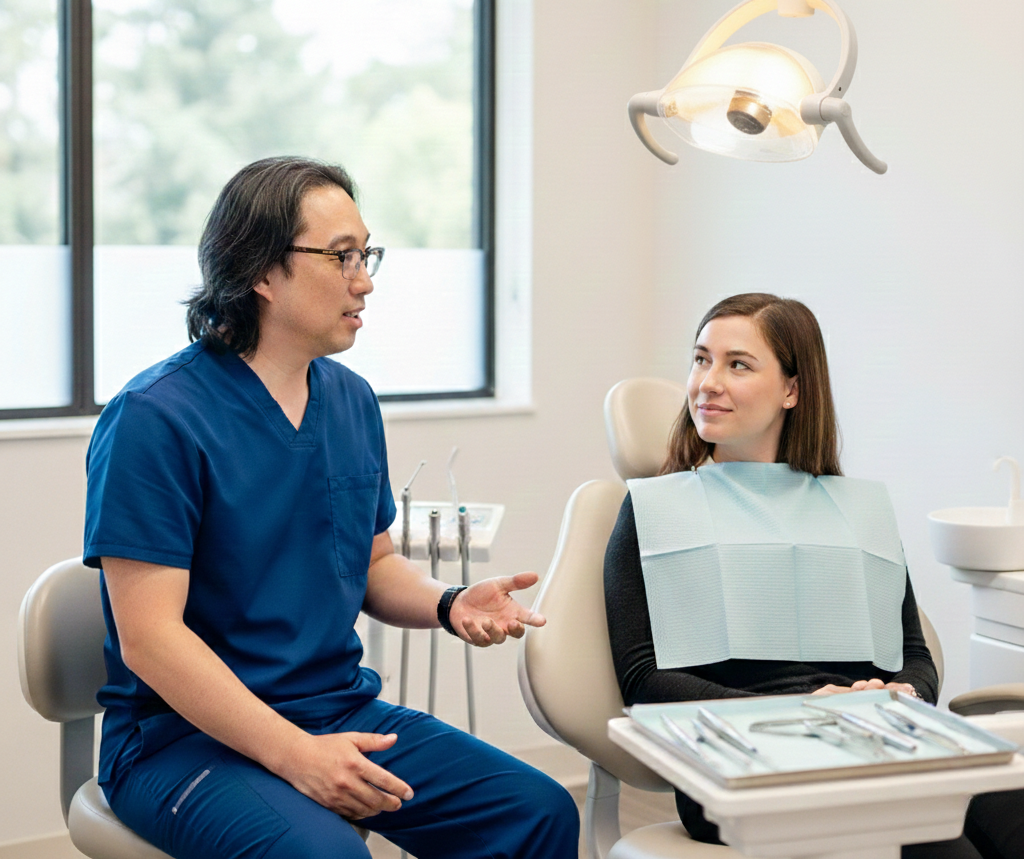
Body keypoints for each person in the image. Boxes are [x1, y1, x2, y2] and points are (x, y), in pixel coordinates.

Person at [83, 157, 579, 859]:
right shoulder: (154, 417)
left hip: (334, 707)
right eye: (341, 256)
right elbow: (151, 640)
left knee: (537, 812)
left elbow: (372, 564)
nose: (364, 280)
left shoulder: (351, 401)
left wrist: (449, 602)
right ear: (262, 271)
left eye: (366, 254)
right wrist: (296, 755)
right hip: (180, 740)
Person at [603, 293, 1022, 859]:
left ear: (792, 390)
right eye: (701, 359)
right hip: (741, 761)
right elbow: (643, 679)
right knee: (942, 847)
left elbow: (914, 656)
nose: (708, 382)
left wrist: (901, 694)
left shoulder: (855, 512)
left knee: (1012, 810)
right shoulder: (653, 512)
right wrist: (804, 711)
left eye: (737, 364)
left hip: (873, 743)